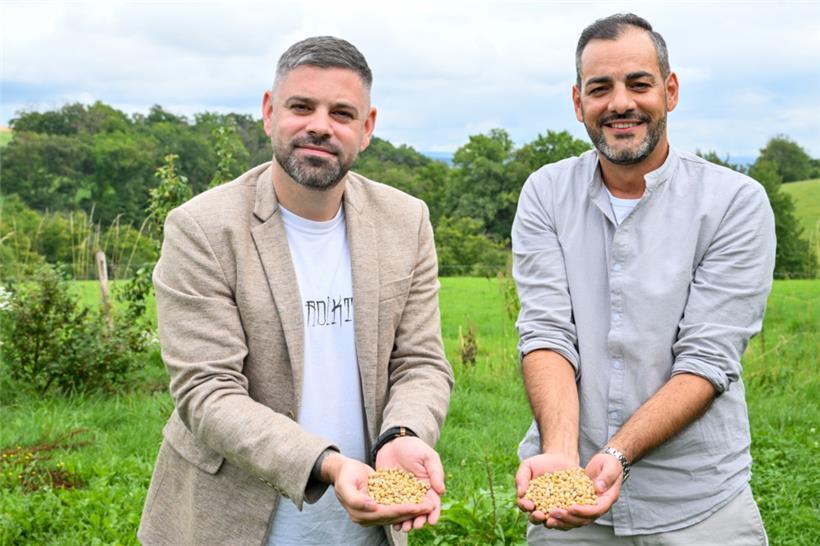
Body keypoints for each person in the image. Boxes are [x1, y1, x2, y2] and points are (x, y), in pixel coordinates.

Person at [137, 36, 453, 546]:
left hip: (370, 526)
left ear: (367, 127)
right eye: (301, 107)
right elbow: (208, 391)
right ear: (269, 112)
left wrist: (403, 434)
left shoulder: (406, 220)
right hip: (230, 523)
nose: (320, 126)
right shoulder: (202, 228)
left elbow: (421, 362)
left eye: (342, 113)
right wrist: (327, 465)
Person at [512, 13, 774, 546]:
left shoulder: (734, 203)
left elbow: (706, 358)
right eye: (599, 88)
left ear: (669, 91)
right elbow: (547, 332)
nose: (620, 103)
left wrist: (617, 454)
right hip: (568, 496)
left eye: (639, 83)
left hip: (696, 500)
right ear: (578, 102)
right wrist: (560, 454)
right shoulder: (545, 193)